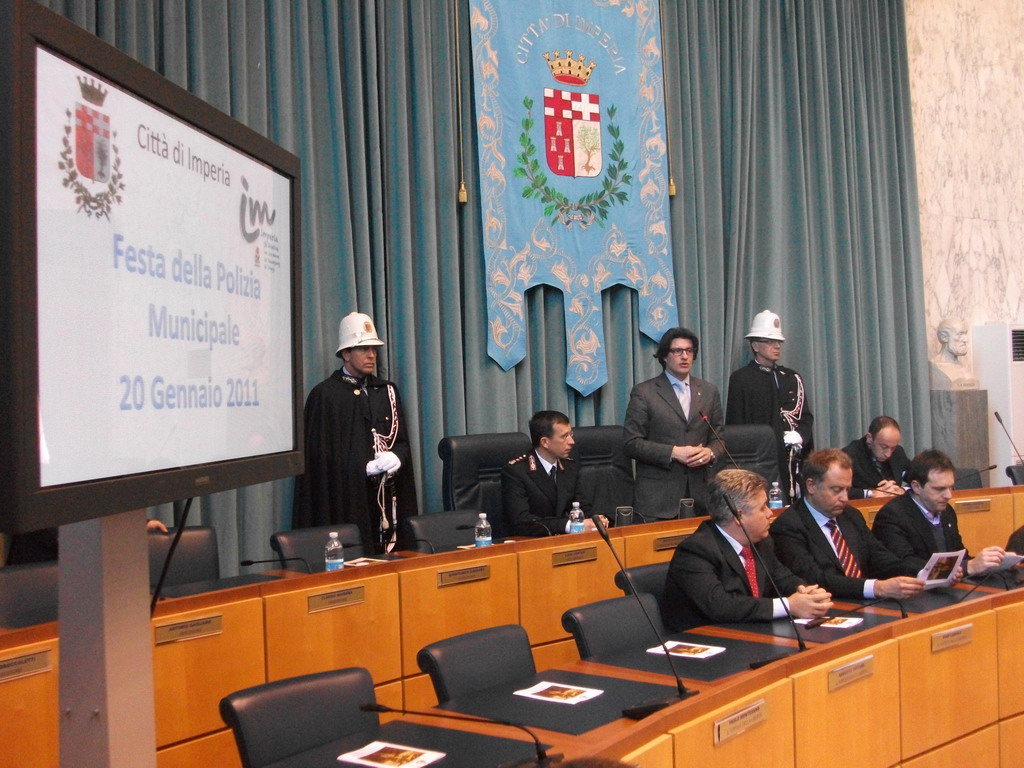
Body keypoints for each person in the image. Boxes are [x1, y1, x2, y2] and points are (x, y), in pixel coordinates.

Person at [293, 312, 417, 553]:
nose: (371, 355)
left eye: (374, 349)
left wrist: (397, 457)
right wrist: (361, 467)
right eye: (363, 349)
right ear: (346, 353)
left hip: (387, 500)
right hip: (347, 502)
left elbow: (401, 442)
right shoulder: (325, 396)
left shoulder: (387, 391)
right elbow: (320, 463)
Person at [663, 468, 832, 631]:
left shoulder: (762, 542)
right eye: (763, 507)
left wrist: (805, 593)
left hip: (750, 632)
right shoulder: (695, 551)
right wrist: (789, 605)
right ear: (739, 516)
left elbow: (783, 578)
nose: (770, 513)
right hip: (705, 639)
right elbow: (720, 606)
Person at [771, 449, 924, 600]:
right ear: (811, 486)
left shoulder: (851, 515)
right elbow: (815, 579)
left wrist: (921, 573)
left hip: (866, 603)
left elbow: (880, 558)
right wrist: (876, 588)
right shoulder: (788, 526)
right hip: (829, 605)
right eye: (836, 490)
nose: (845, 498)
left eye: (847, 490)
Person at [623, 327, 725, 519]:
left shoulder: (709, 391)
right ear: (664, 356)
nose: (684, 356)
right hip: (658, 499)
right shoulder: (644, 392)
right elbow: (631, 443)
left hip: (700, 497)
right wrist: (674, 452)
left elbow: (719, 439)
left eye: (689, 351)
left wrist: (710, 453)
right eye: (677, 351)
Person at [872, 449, 1005, 577]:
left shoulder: (947, 511)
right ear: (916, 487)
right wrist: (968, 567)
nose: (948, 495)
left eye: (950, 487)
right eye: (939, 489)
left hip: (948, 586)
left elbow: (959, 555)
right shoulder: (892, 515)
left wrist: (989, 564)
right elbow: (906, 565)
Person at [726, 310, 813, 502]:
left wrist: (800, 435)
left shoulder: (791, 378)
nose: (777, 346)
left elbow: (805, 416)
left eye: (779, 342)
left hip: (792, 461)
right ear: (755, 345)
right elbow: (736, 425)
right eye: (770, 341)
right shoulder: (742, 379)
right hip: (760, 462)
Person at [501, 410, 603, 536]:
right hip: (532, 541)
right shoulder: (517, 471)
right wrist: (568, 526)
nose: (572, 441)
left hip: (566, 540)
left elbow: (582, 506)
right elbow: (522, 520)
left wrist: (596, 520)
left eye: (570, 434)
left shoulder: (569, 466)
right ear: (545, 442)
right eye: (564, 436)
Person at [841, 416, 911, 499]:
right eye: (884, 447)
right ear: (869, 438)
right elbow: (838, 489)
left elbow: (918, 479)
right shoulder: (848, 455)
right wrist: (870, 493)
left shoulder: (898, 452)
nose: (888, 454)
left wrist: (903, 490)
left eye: (893, 448)